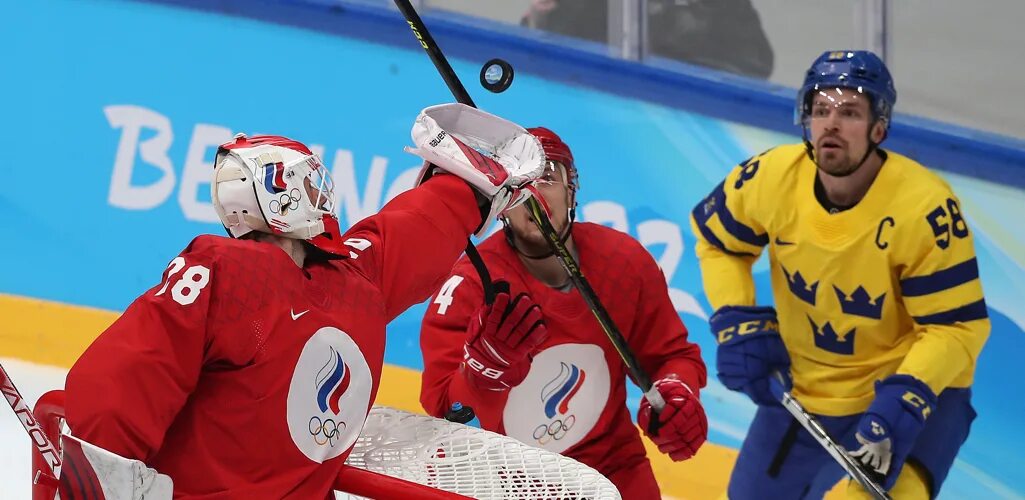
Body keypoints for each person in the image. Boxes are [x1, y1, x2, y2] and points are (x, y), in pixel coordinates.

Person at [62, 103, 546, 499]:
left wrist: (100, 477)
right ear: (286, 195)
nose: (321, 194)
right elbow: (419, 228)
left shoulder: (246, 272)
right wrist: (472, 187)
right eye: (311, 183)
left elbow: (120, 381)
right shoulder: (353, 283)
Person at [690, 50, 990, 499]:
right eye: (820, 110)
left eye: (849, 112)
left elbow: (957, 326)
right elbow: (719, 244)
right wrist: (736, 318)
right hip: (807, 387)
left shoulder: (924, 208)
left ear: (878, 129)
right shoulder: (770, 177)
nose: (831, 123)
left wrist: (907, 392)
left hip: (911, 399)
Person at [419, 126, 708, 499]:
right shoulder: (470, 287)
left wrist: (676, 390)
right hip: (497, 478)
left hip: (610, 468)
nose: (536, 193)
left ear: (572, 190)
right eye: (522, 182)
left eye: (548, 178)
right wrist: (482, 373)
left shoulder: (624, 262)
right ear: (502, 199)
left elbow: (670, 355)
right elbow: (446, 417)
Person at [521, 0, 774, 79]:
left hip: (676, 123)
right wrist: (544, 18)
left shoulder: (718, 11)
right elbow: (537, 59)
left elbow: (751, 67)